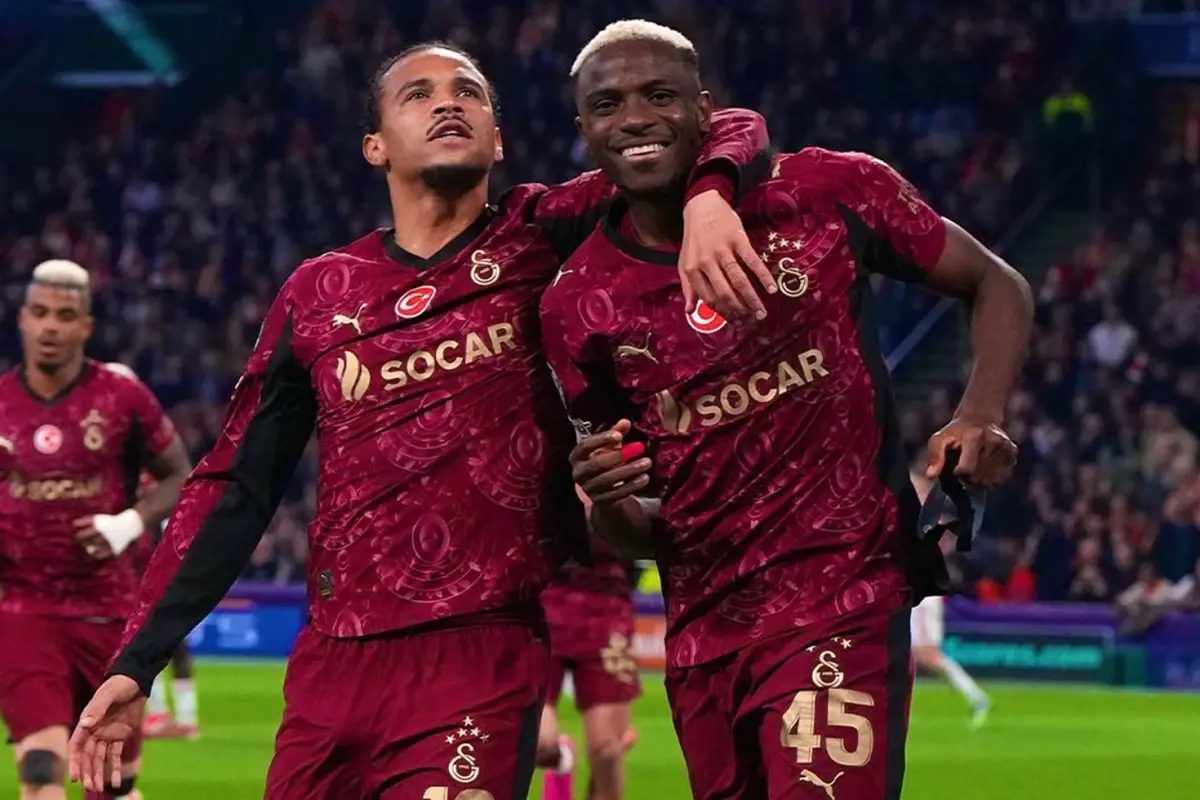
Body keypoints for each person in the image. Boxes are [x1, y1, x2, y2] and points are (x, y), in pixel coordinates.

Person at [69, 42, 771, 799]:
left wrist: (707, 197)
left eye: (469, 92)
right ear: (375, 146)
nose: (447, 103)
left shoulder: (538, 233)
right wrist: (137, 659)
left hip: (479, 654)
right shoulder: (318, 292)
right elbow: (236, 485)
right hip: (330, 667)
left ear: (497, 140)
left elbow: (728, 126)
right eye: (418, 94)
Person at [539, 20, 1033, 800]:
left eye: (659, 95)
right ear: (584, 129)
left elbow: (997, 282)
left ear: (706, 111)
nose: (634, 117)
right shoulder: (577, 305)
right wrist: (610, 502)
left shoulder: (827, 193)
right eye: (608, 104)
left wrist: (982, 412)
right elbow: (642, 529)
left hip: (844, 591)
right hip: (705, 630)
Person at [0, 260, 191, 800]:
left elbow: (180, 475)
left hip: (108, 609)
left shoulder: (121, 398)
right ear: (22, 319)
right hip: (25, 609)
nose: (50, 326)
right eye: (40, 313)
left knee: (110, 785)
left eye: (65, 316)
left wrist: (130, 521)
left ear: (86, 326)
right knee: (40, 769)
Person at [536, 530, 640, 800]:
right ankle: (562, 757)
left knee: (606, 750)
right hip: (544, 605)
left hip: (606, 610)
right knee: (540, 744)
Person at [908, 466, 991, 729]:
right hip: (912, 590)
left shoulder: (929, 520)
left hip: (925, 593)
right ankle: (898, 708)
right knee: (909, 653)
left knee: (928, 655)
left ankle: (977, 698)